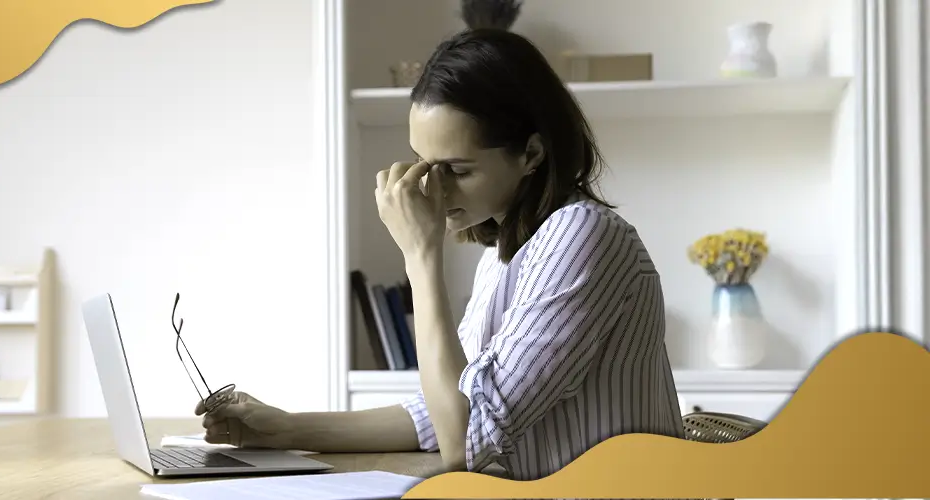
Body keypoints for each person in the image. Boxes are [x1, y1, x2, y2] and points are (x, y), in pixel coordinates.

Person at [196, 0, 685, 481]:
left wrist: (419, 255)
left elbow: (463, 445)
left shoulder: (582, 235)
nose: (432, 187)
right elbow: (442, 411)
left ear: (532, 152)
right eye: (424, 163)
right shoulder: (505, 255)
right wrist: (282, 429)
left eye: (456, 169)